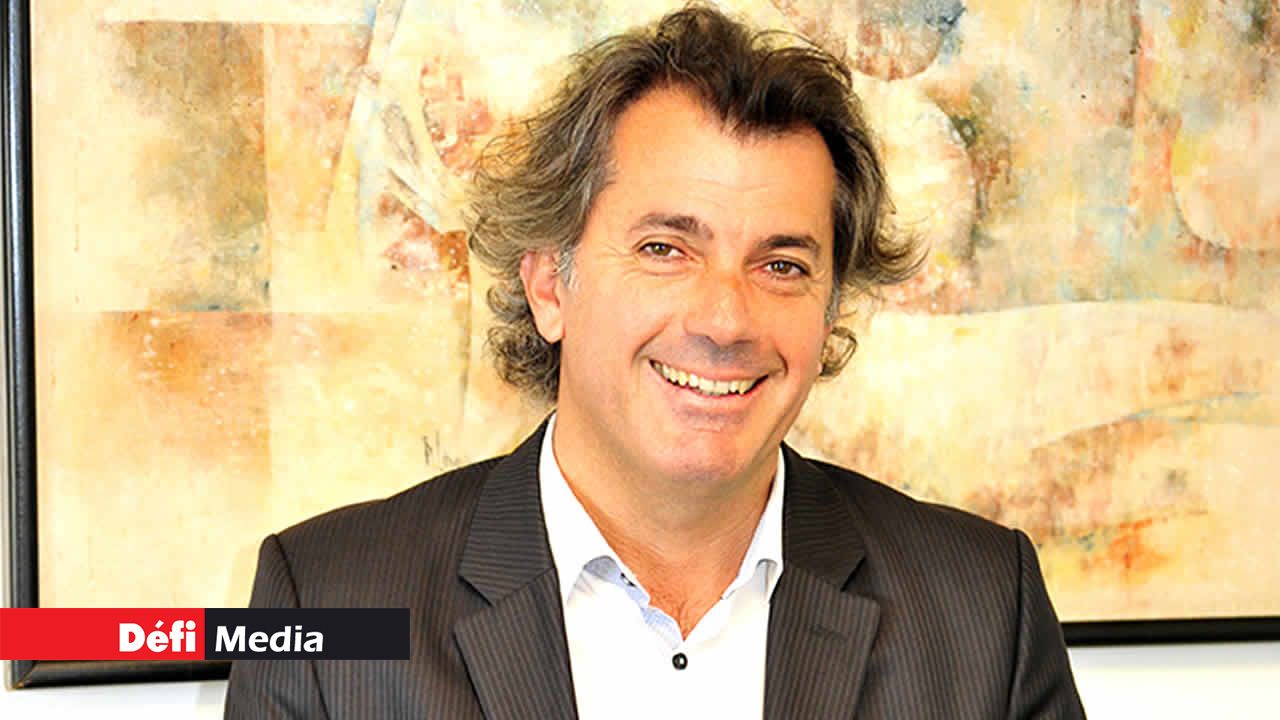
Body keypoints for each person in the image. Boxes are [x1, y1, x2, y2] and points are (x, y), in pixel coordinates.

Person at [225, 4, 1085, 718]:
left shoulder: (983, 611)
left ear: (830, 313)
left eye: (782, 265)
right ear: (549, 286)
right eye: (666, 249)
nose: (725, 318)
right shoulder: (331, 608)